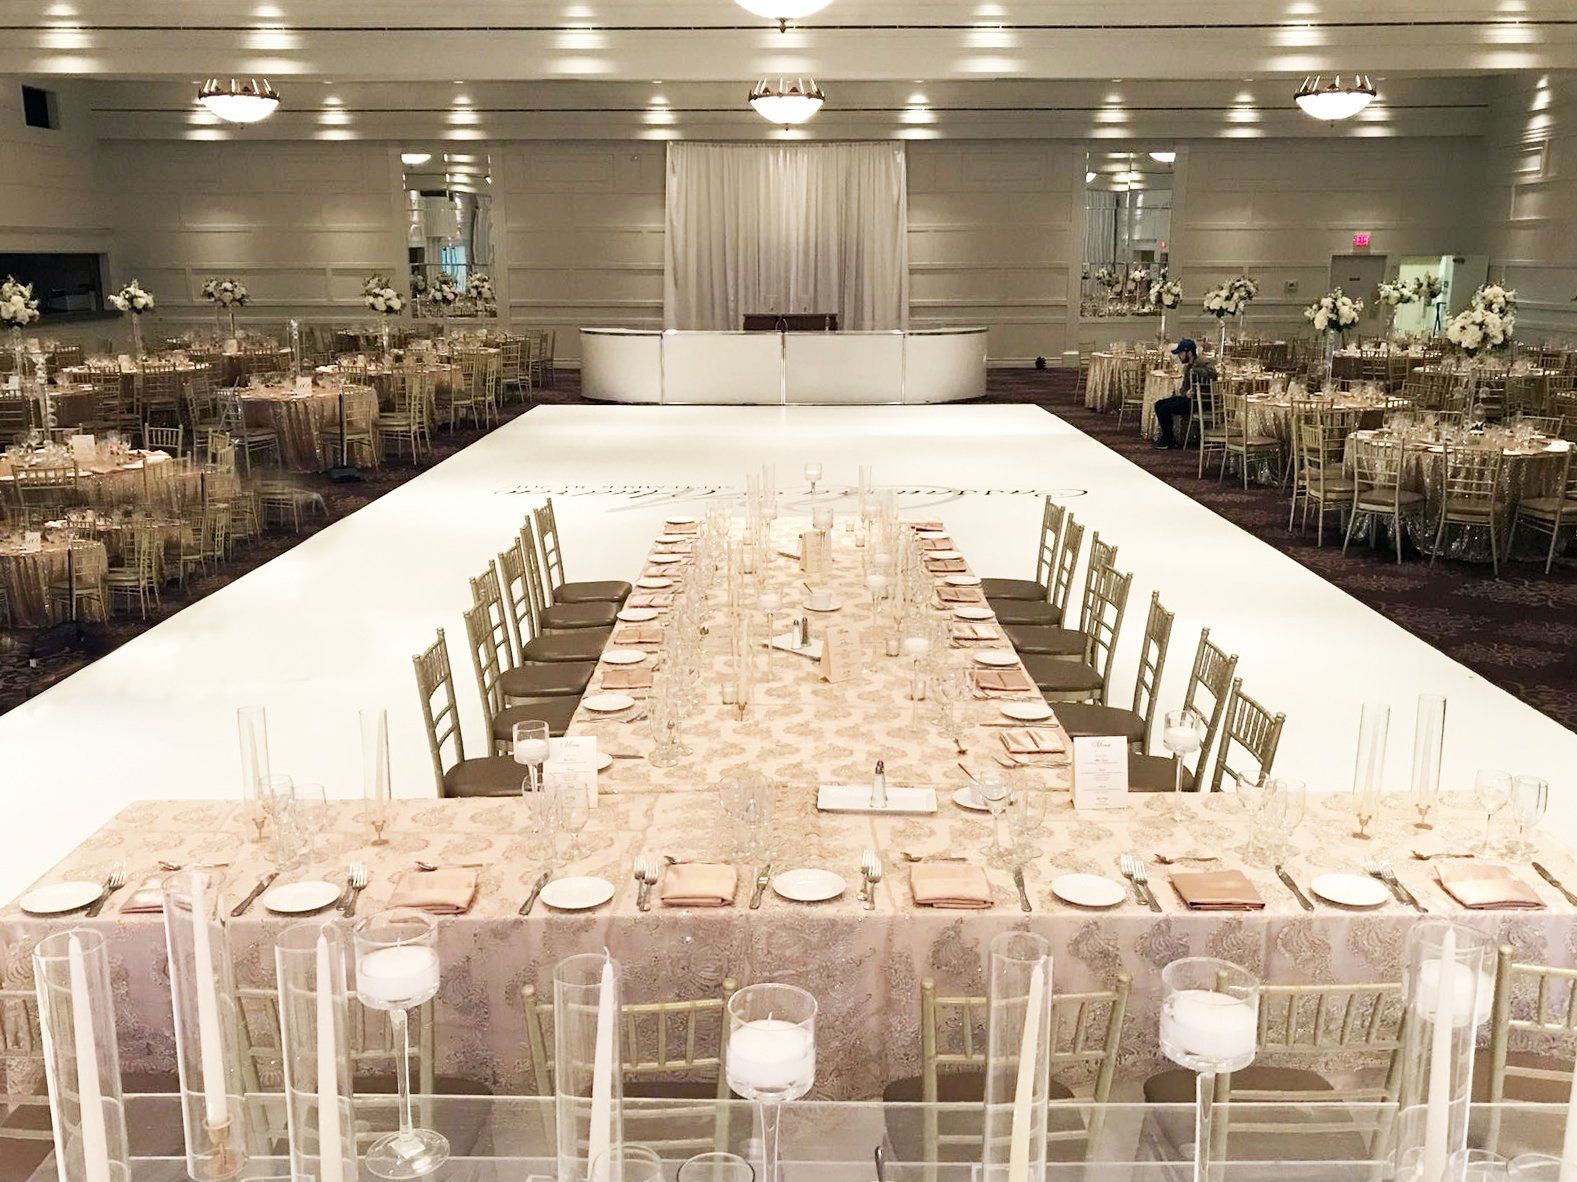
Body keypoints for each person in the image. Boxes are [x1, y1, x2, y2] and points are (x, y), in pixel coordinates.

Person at [1152, 338, 1217, 449]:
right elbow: (1183, 388)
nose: (1179, 356)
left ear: (1189, 353)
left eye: (1181, 353)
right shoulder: (1188, 367)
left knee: (1164, 409)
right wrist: (1186, 393)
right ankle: (1168, 437)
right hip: (1188, 399)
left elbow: (1213, 374)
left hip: (1198, 403)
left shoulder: (1203, 363)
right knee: (1159, 404)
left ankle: (1168, 440)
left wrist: (1195, 371)